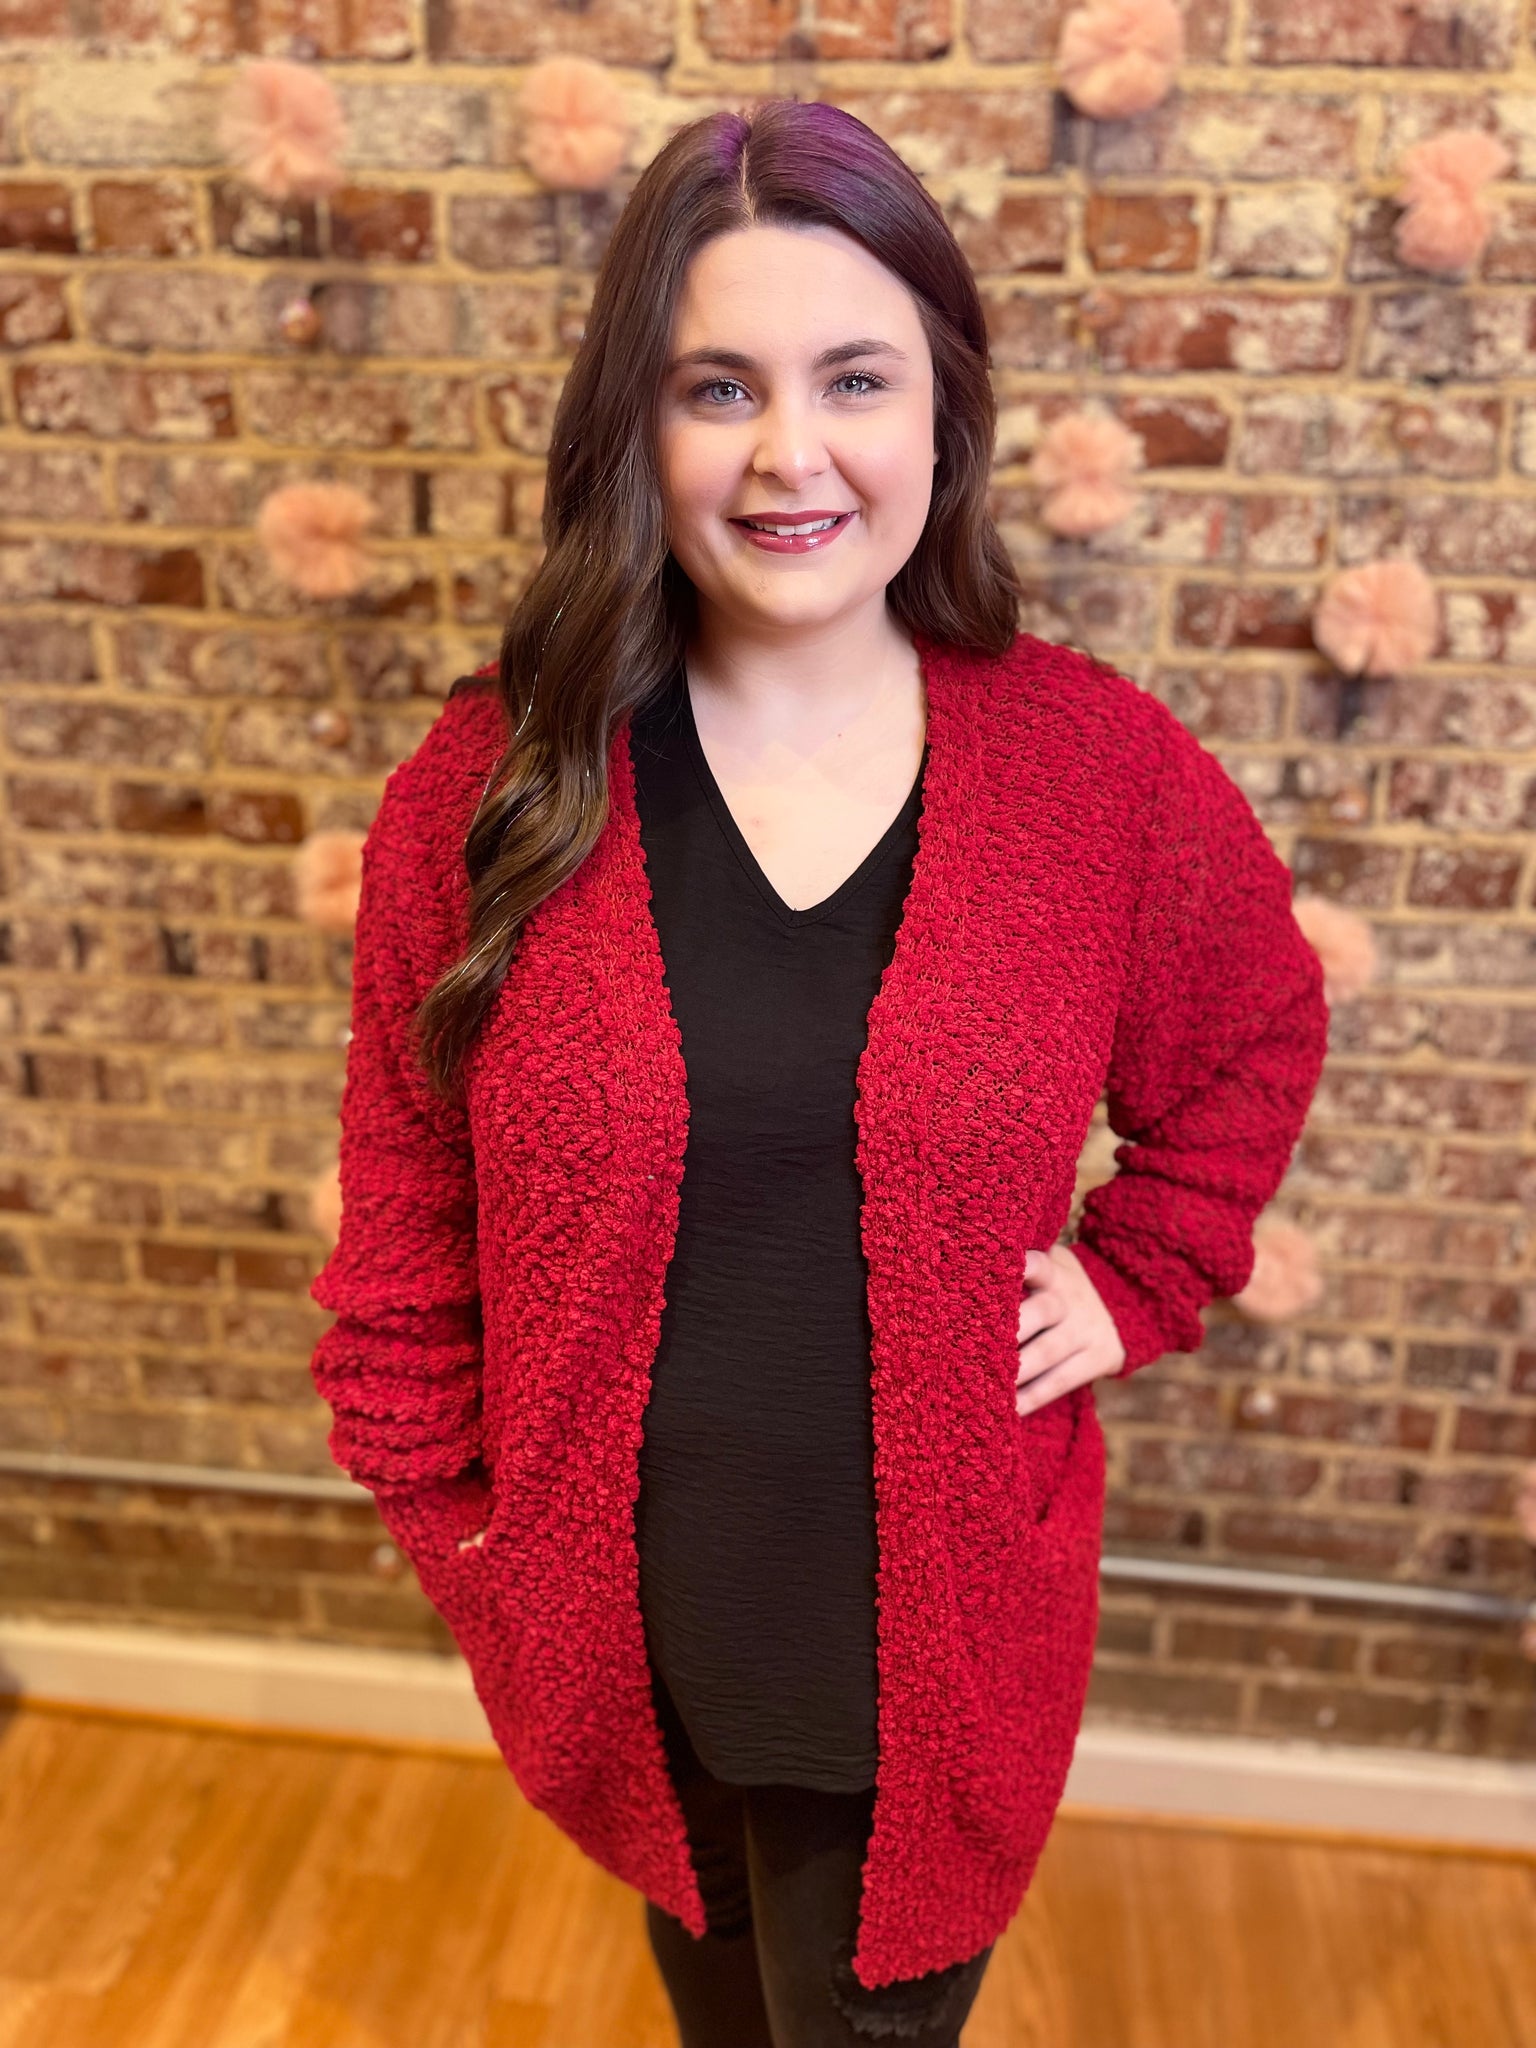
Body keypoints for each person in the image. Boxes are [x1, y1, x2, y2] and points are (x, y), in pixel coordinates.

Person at [308, 100, 1330, 2048]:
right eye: (721, 386)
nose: (792, 452)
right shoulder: (491, 790)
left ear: (942, 411)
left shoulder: (1094, 778)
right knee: (710, 2003)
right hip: (624, 1649)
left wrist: (1138, 1276)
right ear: (637, 426)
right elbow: (409, 1218)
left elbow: (1256, 1028)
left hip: (918, 1661)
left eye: (854, 379)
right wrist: (471, 1541)